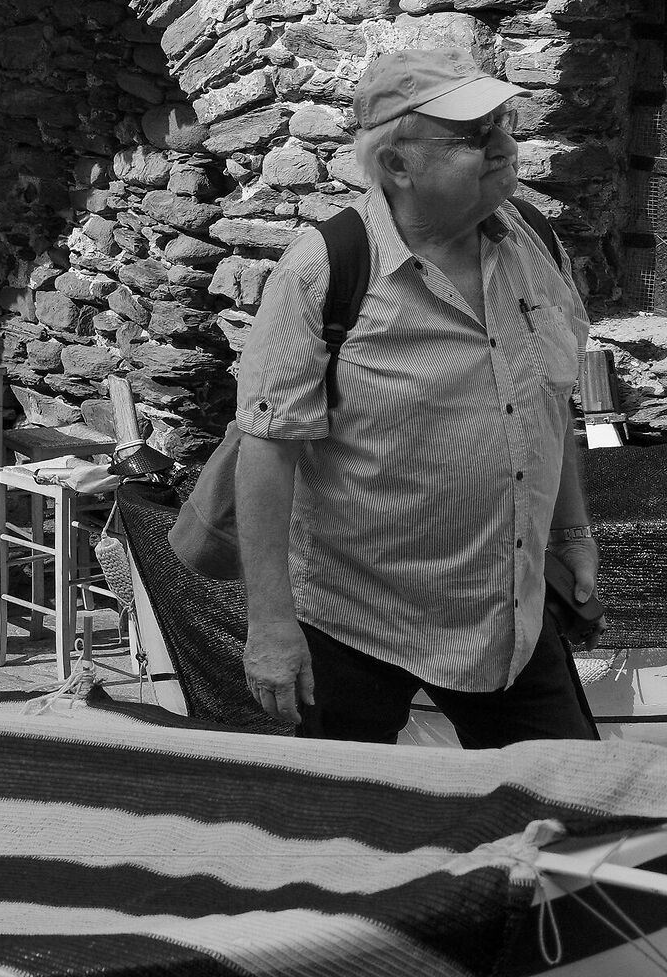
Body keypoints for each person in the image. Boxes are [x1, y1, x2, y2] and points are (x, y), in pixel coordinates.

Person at [236, 49, 597, 747]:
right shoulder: (326, 269)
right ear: (398, 165)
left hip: (503, 613)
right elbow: (268, 452)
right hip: (353, 619)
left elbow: (546, 406)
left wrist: (571, 535)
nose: (502, 146)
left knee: (570, 812)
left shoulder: (535, 241)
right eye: (473, 136)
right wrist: (272, 626)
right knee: (345, 835)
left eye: (502, 124)